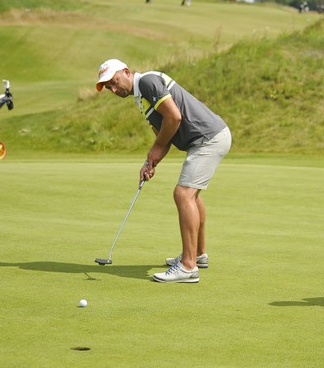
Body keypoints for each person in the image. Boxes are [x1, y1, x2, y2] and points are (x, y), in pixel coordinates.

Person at [95, 59, 232, 283]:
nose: (113, 89)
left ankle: (188, 267)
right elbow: (164, 134)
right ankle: (197, 254)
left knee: (183, 194)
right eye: (108, 87)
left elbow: (174, 118)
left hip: (208, 138)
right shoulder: (142, 98)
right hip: (208, 138)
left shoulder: (148, 82)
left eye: (114, 82)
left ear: (127, 72)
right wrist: (151, 162)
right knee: (192, 196)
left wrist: (155, 150)